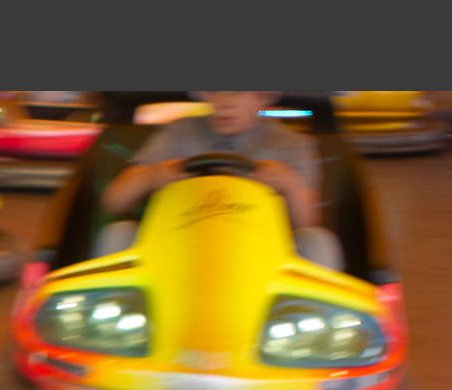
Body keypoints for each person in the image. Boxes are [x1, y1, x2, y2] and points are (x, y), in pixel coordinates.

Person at [96, 91, 344, 269]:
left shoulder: (292, 145)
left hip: (261, 257)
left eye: (235, 92)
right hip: (177, 250)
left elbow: (308, 223)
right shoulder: (179, 133)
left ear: (262, 96)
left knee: (318, 242)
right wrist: (152, 176)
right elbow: (113, 201)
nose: (223, 103)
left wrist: (291, 185)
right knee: (118, 233)